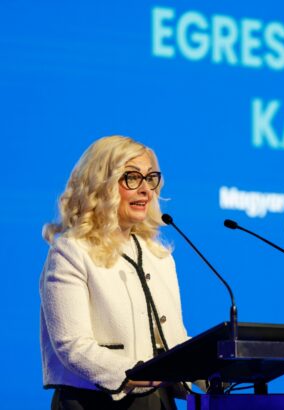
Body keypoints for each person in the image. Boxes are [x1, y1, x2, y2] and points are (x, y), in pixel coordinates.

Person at [40, 135, 190, 409]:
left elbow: (173, 339)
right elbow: (71, 344)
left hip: (159, 401)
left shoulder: (159, 256)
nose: (145, 190)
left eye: (150, 178)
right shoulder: (71, 251)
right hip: (93, 401)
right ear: (101, 184)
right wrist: (134, 375)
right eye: (132, 178)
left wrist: (217, 368)